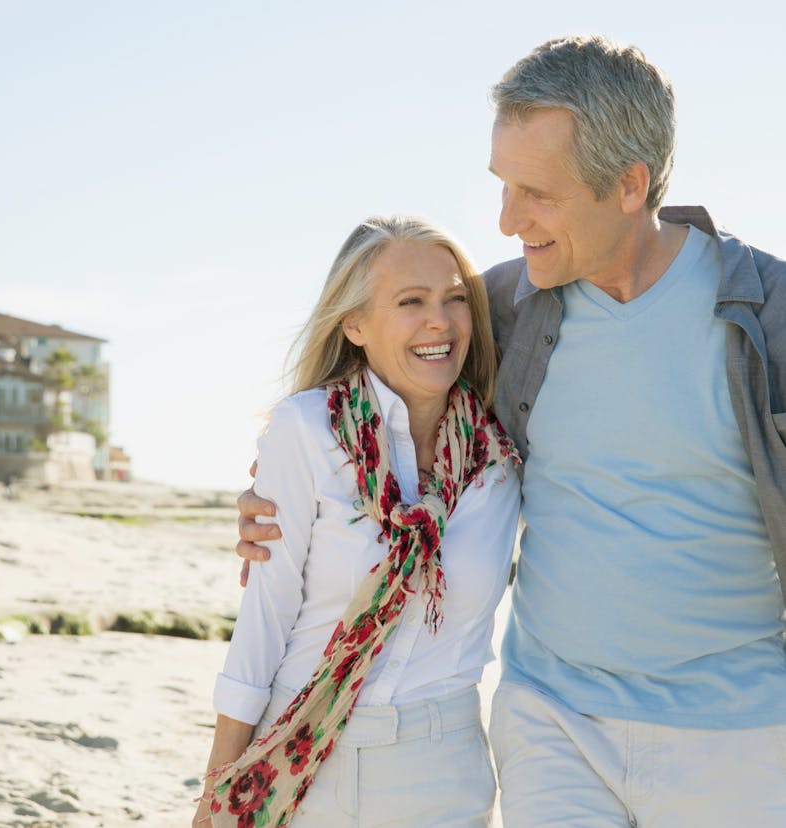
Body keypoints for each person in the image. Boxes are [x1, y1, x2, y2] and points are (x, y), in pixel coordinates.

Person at [236, 35, 786, 827]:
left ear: (630, 185)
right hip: (552, 722)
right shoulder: (498, 312)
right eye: (502, 185)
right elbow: (362, 402)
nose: (505, 221)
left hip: (740, 733)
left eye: (538, 194)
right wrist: (263, 492)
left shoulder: (767, 312)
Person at [193, 215, 521, 828]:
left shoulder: (501, 455)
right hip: (299, 751)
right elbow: (265, 622)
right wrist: (218, 789)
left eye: (456, 300)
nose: (440, 322)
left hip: (442, 768)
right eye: (410, 302)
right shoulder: (306, 430)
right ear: (355, 324)